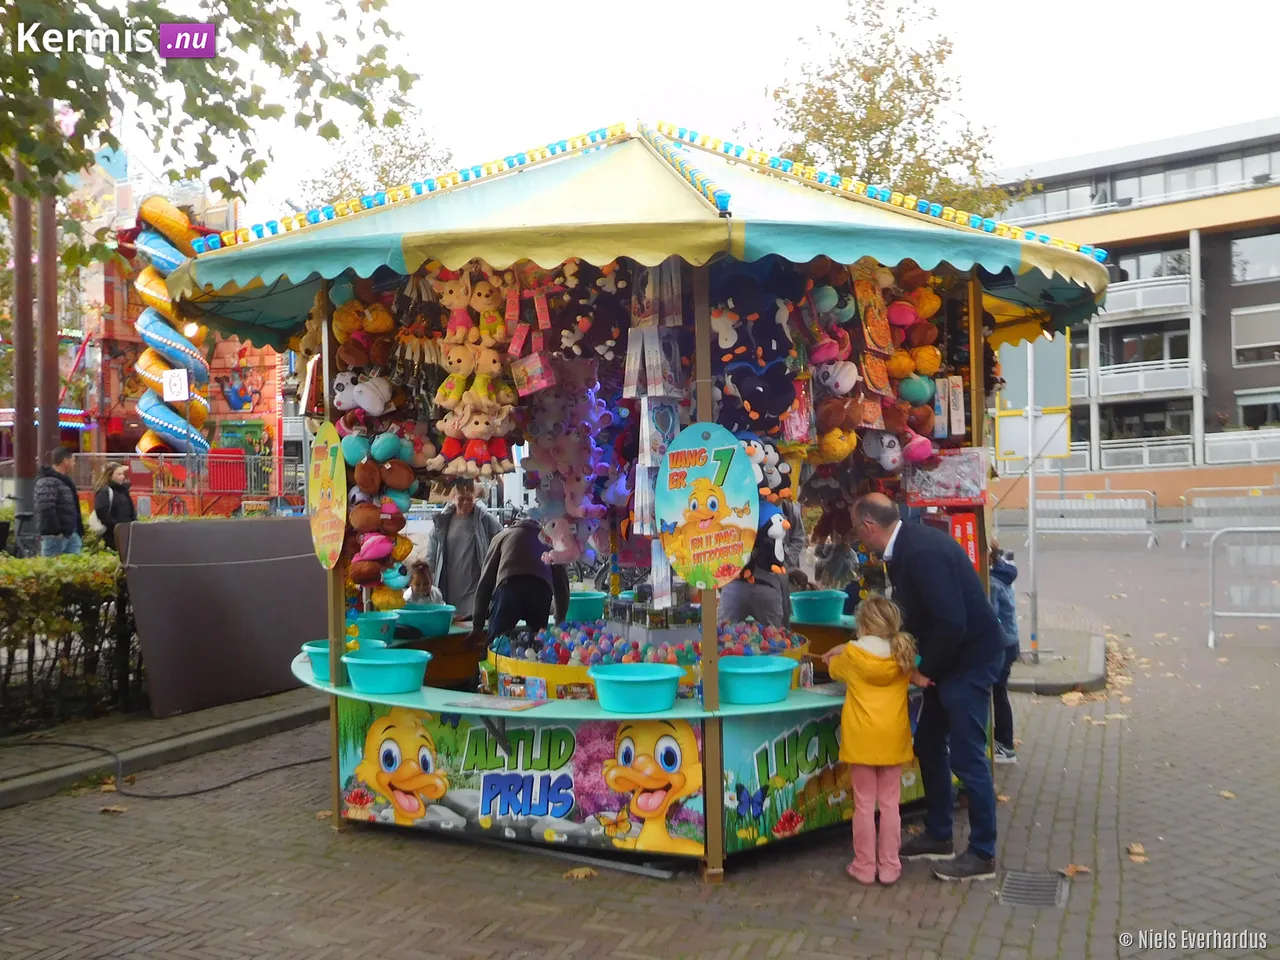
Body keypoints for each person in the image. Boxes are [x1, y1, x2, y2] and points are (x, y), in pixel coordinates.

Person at [850, 493, 1005, 882]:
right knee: (930, 742)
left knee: (967, 758)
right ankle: (939, 833)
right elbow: (920, 614)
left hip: (969, 660)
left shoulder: (920, 553)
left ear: (869, 526)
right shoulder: (906, 548)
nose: (857, 537)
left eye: (856, 530)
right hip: (950, 660)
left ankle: (982, 853)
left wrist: (923, 670)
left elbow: (952, 621)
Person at [821, 596, 916, 886]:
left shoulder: (853, 657)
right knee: (890, 805)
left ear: (862, 627)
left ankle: (864, 866)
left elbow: (834, 669)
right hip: (893, 739)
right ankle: (890, 866)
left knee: (863, 804)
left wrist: (833, 654)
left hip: (861, 739)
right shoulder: (903, 654)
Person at [469, 516, 570, 646]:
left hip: (510, 588)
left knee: (496, 645)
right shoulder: (550, 540)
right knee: (537, 646)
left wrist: (477, 625)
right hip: (541, 591)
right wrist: (559, 620)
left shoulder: (502, 536)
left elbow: (485, 583)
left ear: (514, 524)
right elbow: (561, 583)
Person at [426, 482, 501, 623]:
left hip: (475, 583)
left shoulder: (485, 520)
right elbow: (431, 557)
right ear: (453, 498)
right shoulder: (442, 522)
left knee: (474, 621)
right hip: (450, 584)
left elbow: (501, 538)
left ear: (475, 499)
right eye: (461, 499)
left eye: (469, 499)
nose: (465, 503)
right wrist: (427, 578)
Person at [719, 515, 791, 627]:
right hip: (763, 585)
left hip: (738, 584)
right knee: (773, 635)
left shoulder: (730, 512)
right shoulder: (776, 512)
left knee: (725, 633)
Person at [988, 542, 1020, 764]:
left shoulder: (991, 582)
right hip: (1010, 641)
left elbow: (990, 618)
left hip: (1001, 645)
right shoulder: (1002, 573)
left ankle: (1005, 745)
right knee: (1000, 692)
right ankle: (1004, 742)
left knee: (998, 693)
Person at [35, 447, 84, 557]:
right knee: (51, 565)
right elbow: (46, 508)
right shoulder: (47, 481)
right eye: (73, 460)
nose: (74, 464)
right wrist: (56, 532)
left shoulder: (65, 481)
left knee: (73, 565)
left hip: (70, 533)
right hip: (56, 536)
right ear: (66, 461)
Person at [91, 461, 137, 552]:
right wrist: (115, 526)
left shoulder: (123, 491)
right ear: (109, 475)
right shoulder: (104, 490)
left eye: (122, 474)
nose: (122, 477)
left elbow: (131, 509)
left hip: (126, 532)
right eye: (118, 474)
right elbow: (101, 510)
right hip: (112, 535)